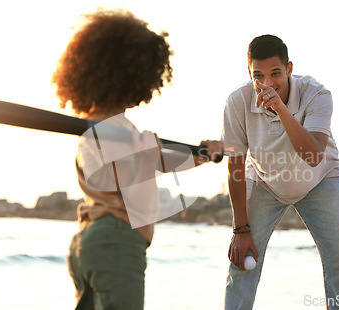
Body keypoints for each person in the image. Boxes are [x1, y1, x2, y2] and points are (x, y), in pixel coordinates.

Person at [51, 9, 223, 309]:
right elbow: (124, 179)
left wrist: (202, 155)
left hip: (92, 241)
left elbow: (159, 163)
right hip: (116, 241)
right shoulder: (106, 129)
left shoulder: (111, 126)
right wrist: (145, 158)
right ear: (135, 75)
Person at [222, 34, 339, 309]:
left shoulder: (316, 94)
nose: (267, 83)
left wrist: (281, 109)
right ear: (249, 73)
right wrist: (240, 229)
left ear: (289, 69)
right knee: (242, 263)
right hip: (264, 181)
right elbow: (235, 166)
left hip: (319, 178)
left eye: (275, 73)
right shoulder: (237, 102)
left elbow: (312, 155)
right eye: (258, 75)